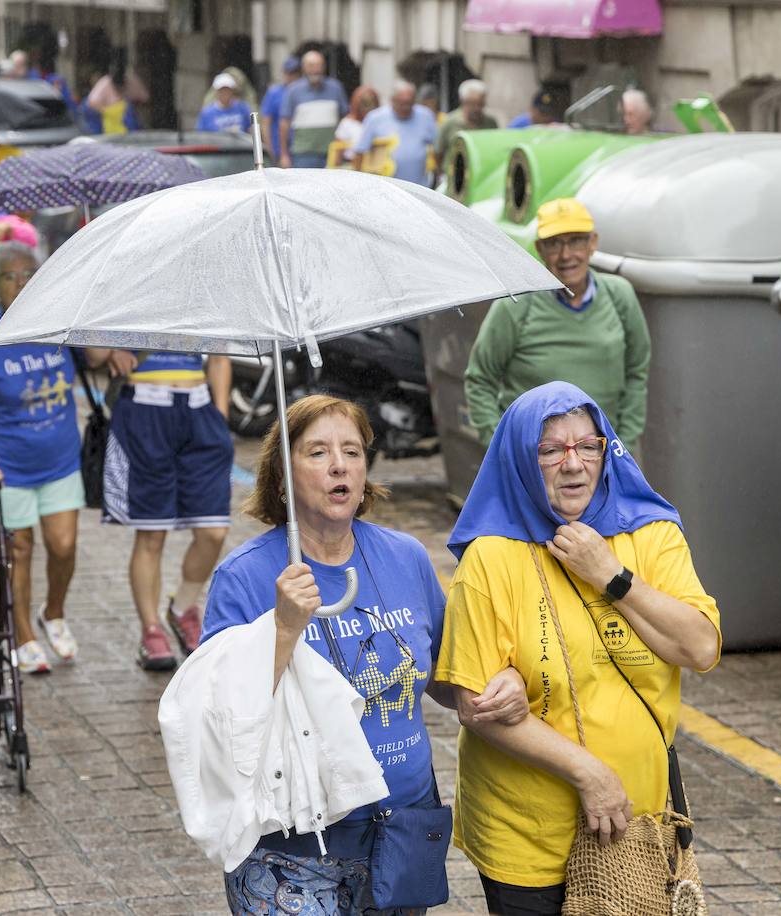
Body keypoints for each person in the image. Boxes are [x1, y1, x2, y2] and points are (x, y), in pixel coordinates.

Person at [204, 394, 527, 913]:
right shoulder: (243, 578)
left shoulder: (406, 557)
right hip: (293, 849)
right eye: (317, 453)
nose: (339, 465)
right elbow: (221, 717)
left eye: (352, 452)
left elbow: (447, 677)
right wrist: (284, 628)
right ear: (282, 480)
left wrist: (504, 682)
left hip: (401, 827)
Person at [436, 381, 721, 913]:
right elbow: (477, 707)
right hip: (526, 833)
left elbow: (700, 647)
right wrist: (590, 774)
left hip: (635, 825)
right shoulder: (491, 558)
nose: (574, 464)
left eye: (588, 446)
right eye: (551, 450)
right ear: (521, 459)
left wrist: (611, 575)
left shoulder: (650, 534)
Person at [84, 345, 232, 670]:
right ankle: (151, 630)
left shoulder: (202, 292)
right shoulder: (122, 291)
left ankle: (182, 608)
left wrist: (219, 418)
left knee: (213, 531)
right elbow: (93, 356)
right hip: (144, 410)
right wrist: (112, 351)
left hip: (199, 411)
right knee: (152, 534)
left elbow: (220, 355)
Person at [464, 198, 650, 452]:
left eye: (576, 241)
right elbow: (480, 379)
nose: (566, 255)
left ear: (592, 243)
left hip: (607, 454)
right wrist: (505, 448)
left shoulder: (619, 296)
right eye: (554, 244)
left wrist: (623, 445)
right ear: (539, 249)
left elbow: (637, 372)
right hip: (538, 459)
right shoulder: (518, 305)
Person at [0, 242, 82, 673]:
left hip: (60, 460)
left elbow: (94, 357)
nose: (21, 283)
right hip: (10, 467)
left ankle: (52, 611)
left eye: (29, 274)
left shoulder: (60, 326)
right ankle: (23, 634)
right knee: (19, 548)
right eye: (10, 276)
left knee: (64, 544)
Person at [352, 80, 438, 185]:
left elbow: (438, 150)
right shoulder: (375, 118)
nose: (406, 107)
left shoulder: (426, 116)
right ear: (392, 100)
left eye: (409, 103)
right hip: (385, 190)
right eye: (402, 103)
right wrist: (358, 183)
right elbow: (359, 153)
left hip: (419, 188)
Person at [279, 50, 348, 169]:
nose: (316, 70)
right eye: (311, 66)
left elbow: (345, 118)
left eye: (319, 65)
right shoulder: (294, 91)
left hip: (331, 152)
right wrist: (284, 155)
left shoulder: (335, 88)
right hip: (303, 154)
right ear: (304, 68)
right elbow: (284, 124)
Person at [435, 79, 498, 173]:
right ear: (462, 101)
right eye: (472, 104)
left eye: (480, 104)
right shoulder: (449, 122)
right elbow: (438, 153)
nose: (476, 109)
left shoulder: (490, 123)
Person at [259, 56, 301, 160]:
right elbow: (265, 123)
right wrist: (269, 149)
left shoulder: (303, 92)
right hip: (278, 150)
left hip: (301, 149)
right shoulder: (274, 93)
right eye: (288, 72)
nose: (291, 76)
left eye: (294, 73)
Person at [332, 85, 378, 163]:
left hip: (376, 167)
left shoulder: (380, 121)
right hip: (352, 166)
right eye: (364, 104)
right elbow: (337, 156)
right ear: (355, 104)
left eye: (371, 103)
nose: (367, 109)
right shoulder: (347, 123)